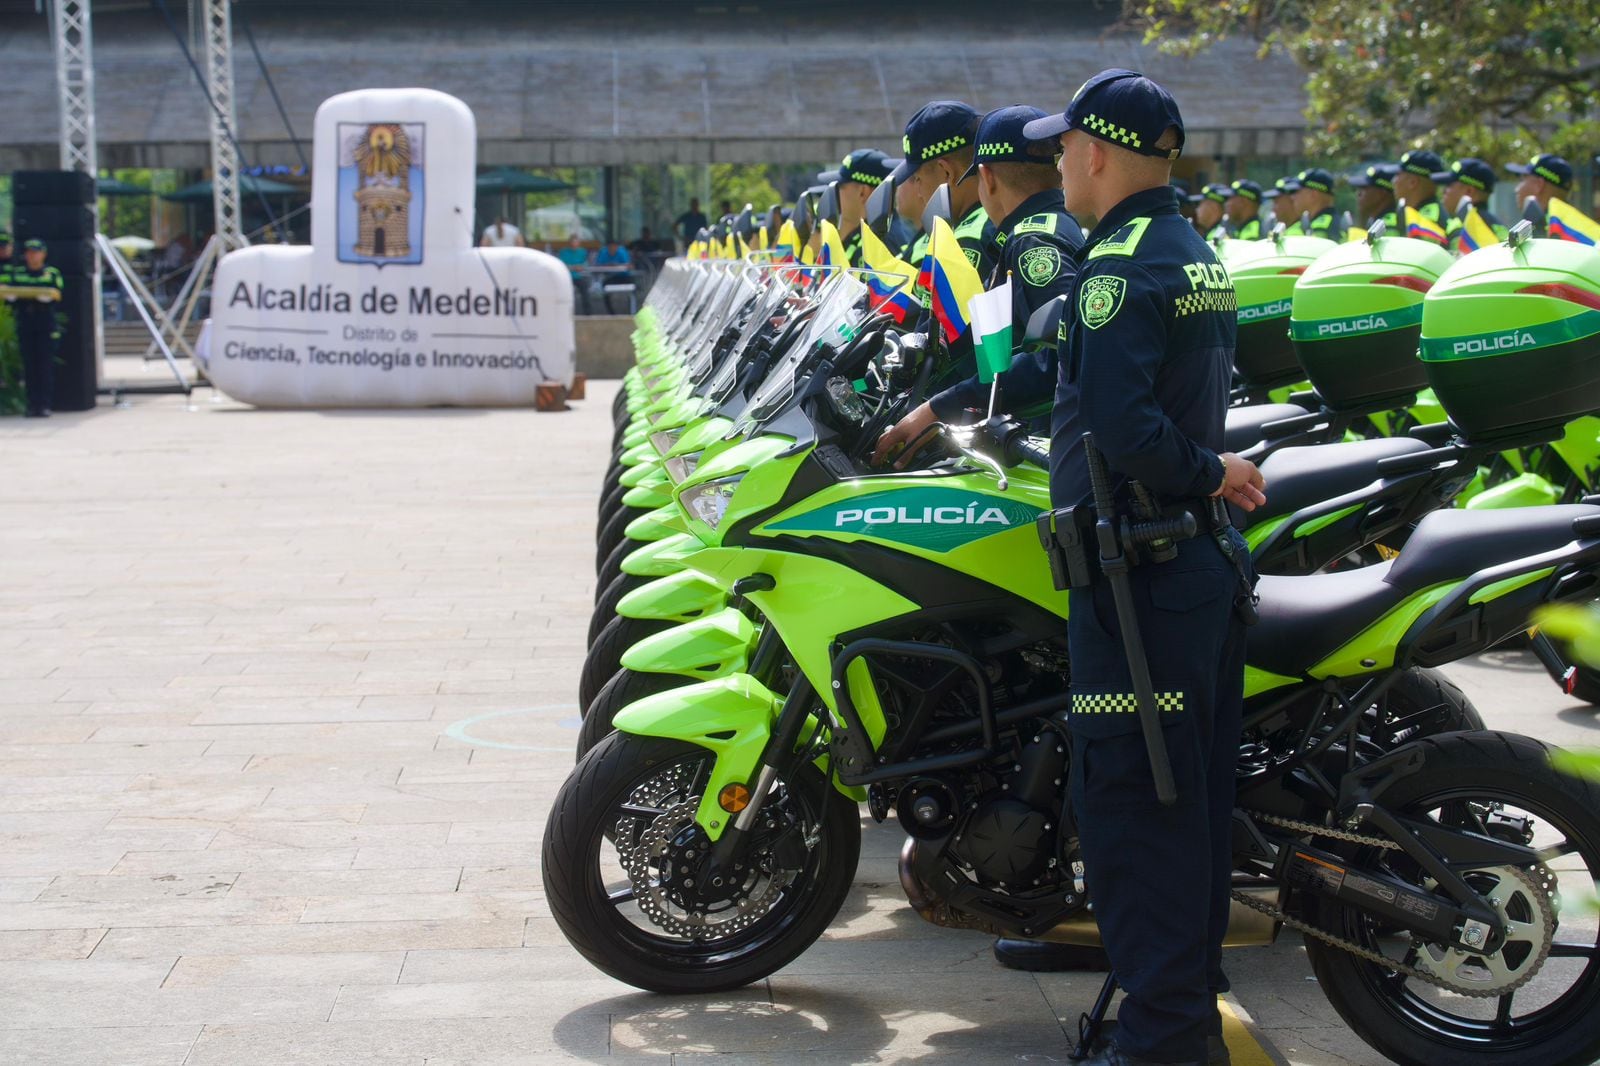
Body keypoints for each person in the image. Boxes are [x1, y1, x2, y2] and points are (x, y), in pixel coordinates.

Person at [1033, 69, 1265, 1066]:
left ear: (1094, 151)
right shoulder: (1189, 248)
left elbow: (1126, 429)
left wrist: (1204, 469)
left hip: (1142, 583)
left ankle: (1164, 1042)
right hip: (1184, 575)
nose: (1054, 165)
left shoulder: (1114, 267)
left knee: (1136, 810)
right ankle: (1176, 1016)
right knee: (1190, 811)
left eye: (1060, 147)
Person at [870, 105, 1084, 457]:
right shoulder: (1044, 227)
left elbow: (1064, 353)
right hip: (1026, 434)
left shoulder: (1031, 242)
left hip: (1032, 442)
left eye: (918, 179)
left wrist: (942, 406)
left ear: (987, 177)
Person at [888, 100, 997, 279]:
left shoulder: (966, 241)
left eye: (918, 179)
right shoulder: (989, 222)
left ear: (946, 172)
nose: (919, 192)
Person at [5, 239, 65, 418]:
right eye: (29, 252)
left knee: (44, 366)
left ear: (43, 254)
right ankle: (32, 405)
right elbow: (10, 293)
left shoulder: (51, 273)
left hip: (45, 324)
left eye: (36, 252)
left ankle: (44, 405)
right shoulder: (17, 273)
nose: (32, 256)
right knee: (29, 367)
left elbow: (56, 292)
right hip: (26, 322)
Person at [816, 149, 898, 266]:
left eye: (839, 187)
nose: (834, 194)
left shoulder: (880, 242)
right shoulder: (871, 233)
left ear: (862, 192)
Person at [1434, 158, 1508, 243]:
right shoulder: (1500, 227)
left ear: (1469, 191)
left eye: (1449, 185)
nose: (1444, 191)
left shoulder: (1460, 228)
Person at [1282, 167, 1342, 239]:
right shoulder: (1333, 221)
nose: (1292, 197)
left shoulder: (1322, 227)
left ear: (1313, 195)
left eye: (1297, 192)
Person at [1393, 150, 1446, 229]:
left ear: (1412, 182)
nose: (1394, 181)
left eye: (1398, 175)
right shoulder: (1415, 213)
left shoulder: (1427, 220)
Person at [1505, 153, 1575, 212]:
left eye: (1522, 180)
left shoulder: (1547, 227)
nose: (1516, 189)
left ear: (1539, 185)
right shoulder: (1576, 225)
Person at [1349, 163, 1400, 230]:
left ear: (1382, 193)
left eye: (1364, 188)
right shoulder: (1375, 221)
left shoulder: (1388, 223)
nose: (1358, 193)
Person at [557, 233, 592, 314]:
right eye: (572, 242)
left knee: (585, 292)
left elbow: (586, 264)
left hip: (579, 277)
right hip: (567, 277)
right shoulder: (563, 252)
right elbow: (561, 265)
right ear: (569, 242)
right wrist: (574, 267)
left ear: (579, 243)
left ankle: (588, 314)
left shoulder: (583, 252)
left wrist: (580, 267)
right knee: (567, 294)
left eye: (576, 242)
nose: (574, 244)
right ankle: (566, 314)